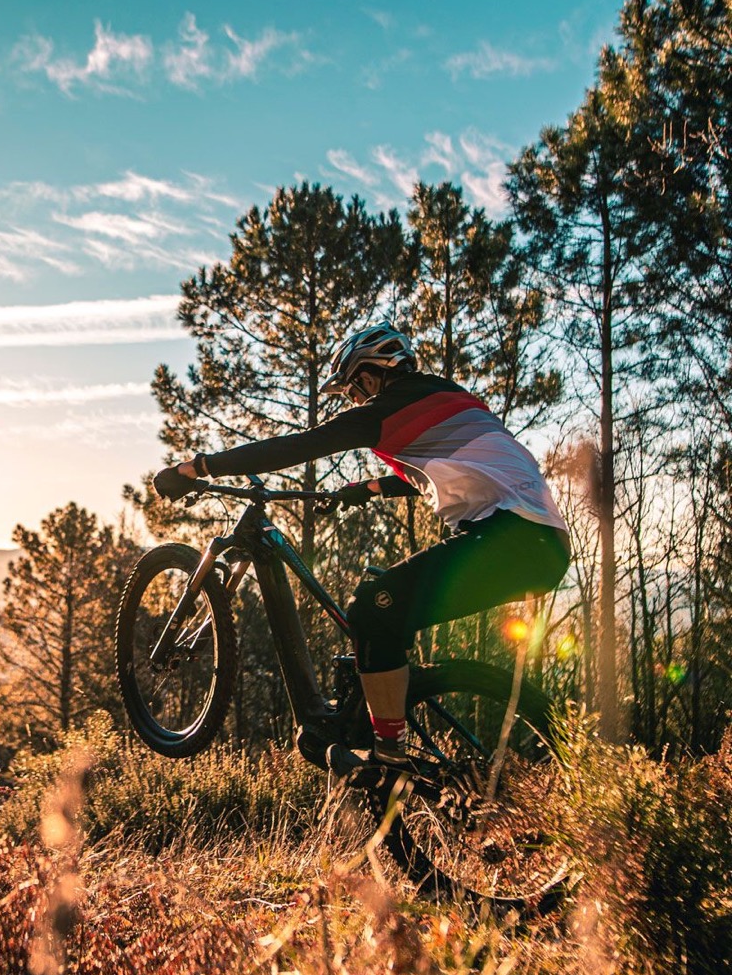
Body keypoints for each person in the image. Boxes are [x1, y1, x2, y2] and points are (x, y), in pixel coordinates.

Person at [153, 320, 571, 774]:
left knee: (371, 608)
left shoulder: (384, 409)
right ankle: (387, 712)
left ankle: (389, 758)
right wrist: (367, 488)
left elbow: (299, 447)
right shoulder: (449, 398)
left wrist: (198, 467)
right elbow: (443, 470)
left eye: (354, 390)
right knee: (385, 615)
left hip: (509, 538)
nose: (355, 401)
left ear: (369, 375)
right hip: (542, 545)